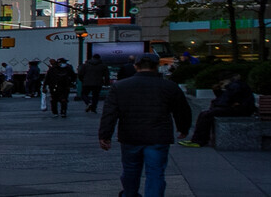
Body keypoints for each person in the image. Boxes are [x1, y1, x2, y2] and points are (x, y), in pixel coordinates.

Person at [98, 52, 192, 197]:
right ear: (157, 66)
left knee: (130, 170)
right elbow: (181, 110)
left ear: (136, 66)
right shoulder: (169, 86)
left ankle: (129, 194)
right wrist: (183, 127)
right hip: (158, 135)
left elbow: (110, 113)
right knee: (155, 173)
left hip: (130, 135)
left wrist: (105, 135)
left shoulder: (121, 87)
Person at [186, 72, 254, 147]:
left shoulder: (235, 85)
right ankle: (199, 139)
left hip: (240, 110)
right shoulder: (235, 85)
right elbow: (225, 99)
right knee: (206, 114)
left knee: (206, 115)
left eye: (222, 82)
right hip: (240, 109)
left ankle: (199, 140)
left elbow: (226, 101)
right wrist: (218, 91)